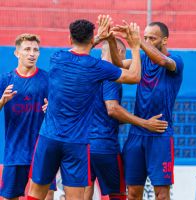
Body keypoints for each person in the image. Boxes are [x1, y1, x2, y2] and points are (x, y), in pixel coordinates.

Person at [27, 15, 142, 200]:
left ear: (70, 39)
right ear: (91, 39)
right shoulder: (99, 67)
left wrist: (97, 39)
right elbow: (135, 76)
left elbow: (81, 49)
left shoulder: (57, 58)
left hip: (49, 137)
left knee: (35, 194)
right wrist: (135, 47)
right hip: (76, 143)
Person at [84, 38, 168, 200]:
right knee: (119, 194)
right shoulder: (111, 73)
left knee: (84, 193)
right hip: (104, 146)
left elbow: (98, 111)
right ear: (121, 53)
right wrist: (144, 123)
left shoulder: (89, 71)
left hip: (82, 145)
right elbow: (112, 109)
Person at [110, 21, 184, 200]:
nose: (148, 41)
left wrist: (137, 42)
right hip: (136, 135)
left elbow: (161, 60)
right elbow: (118, 64)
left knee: (162, 195)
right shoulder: (142, 60)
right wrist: (111, 40)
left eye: (153, 38)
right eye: (146, 37)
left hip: (160, 134)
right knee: (133, 193)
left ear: (164, 40)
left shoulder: (176, 61)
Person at [0, 33, 56, 200]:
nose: (32, 53)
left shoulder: (47, 79)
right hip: (14, 152)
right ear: (17, 53)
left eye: (35, 50)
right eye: (27, 49)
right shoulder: (6, 79)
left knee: (48, 195)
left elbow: (59, 111)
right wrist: (2, 101)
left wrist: (51, 109)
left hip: (42, 150)